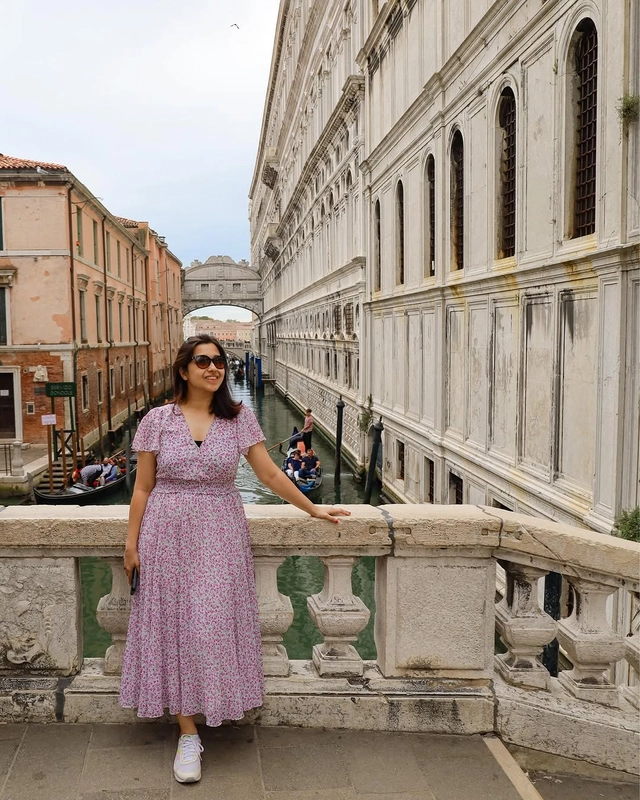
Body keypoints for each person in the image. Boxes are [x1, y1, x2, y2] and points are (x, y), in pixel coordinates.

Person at [119, 334, 349, 785]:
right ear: (183, 370)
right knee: (176, 626)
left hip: (221, 531)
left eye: (219, 361)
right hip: (165, 531)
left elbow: (268, 473)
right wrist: (131, 544)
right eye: (202, 361)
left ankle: (218, 701)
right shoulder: (157, 420)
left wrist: (313, 507)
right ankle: (187, 732)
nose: (214, 367)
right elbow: (142, 486)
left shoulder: (239, 418)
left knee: (212, 622)